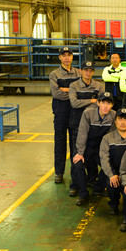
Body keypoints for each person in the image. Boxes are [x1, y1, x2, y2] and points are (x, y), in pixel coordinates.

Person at [71, 92, 115, 206]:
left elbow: (111, 137)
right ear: (98, 103)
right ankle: (83, 193)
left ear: (112, 105)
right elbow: (82, 134)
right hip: (85, 145)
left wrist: (106, 154)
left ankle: (98, 188)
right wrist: (80, 153)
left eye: (108, 103)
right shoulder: (88, 113)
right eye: (103, 102)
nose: (105, 106)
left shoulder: (114, 116)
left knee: (110, 164)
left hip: (100, 147)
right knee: (78, 164)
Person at [68, 61, 105, 192]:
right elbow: (74, 103)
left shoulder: (99, 86)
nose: (88, 73)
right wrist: (91, 101)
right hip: (76, 125)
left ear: (93, 72)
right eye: (86, 70)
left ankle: (92, 179)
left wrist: (85, 103)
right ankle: (75, 184)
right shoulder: (74, 85)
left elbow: (101, 104)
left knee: (92, 153)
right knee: (76, 154)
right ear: (81, 71)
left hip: (93, 125)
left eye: (90, 70)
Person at [49, 46, 80, 184]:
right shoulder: (54, 74)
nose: (67, 58)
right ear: (60, 57)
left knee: (76, 144)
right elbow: (56, 94)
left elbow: (82, 91)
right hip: (60, 113)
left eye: (69, 55)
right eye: (64, 55)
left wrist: (66, 90)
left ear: (72, 57)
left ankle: (76, 173)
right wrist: (74, 93)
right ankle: (59, 173)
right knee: (60, 143)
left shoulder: (78, 73)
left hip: (75, 113)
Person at [100, 108, 126, 217]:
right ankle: (113, 204)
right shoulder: (107, 138)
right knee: (112, 184)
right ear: (115, 121)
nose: (123, 122)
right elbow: (104, 159)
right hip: (115, 173)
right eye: (120, 119)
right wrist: (111, 175)